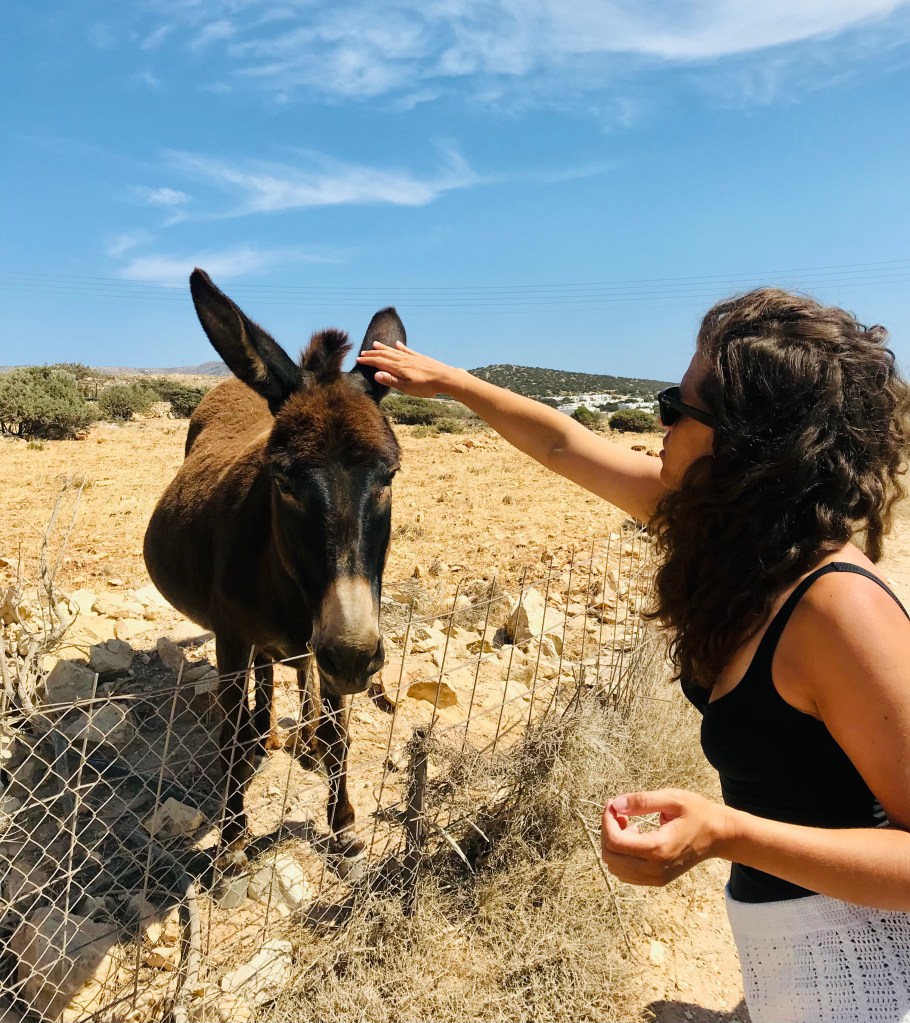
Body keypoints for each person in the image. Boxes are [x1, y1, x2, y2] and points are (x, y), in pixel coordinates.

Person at [357, 288, 910, 1023]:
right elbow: (562, 446)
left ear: (749, 444)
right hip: (790, 958)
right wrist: (451, 382)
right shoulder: (731, 536)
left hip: (867, 970)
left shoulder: (839, 611)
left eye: (677, 407)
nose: (660, 421)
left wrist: (727, 834)